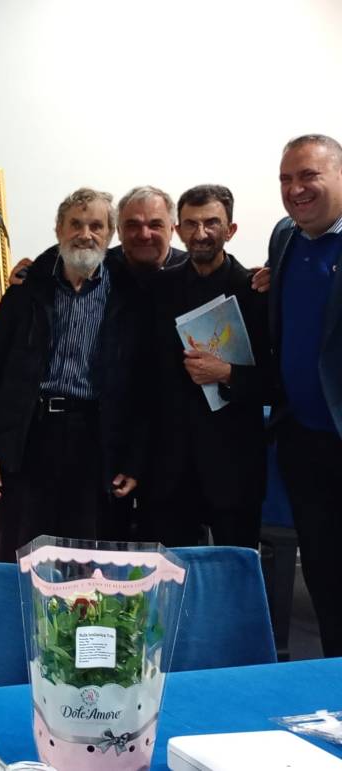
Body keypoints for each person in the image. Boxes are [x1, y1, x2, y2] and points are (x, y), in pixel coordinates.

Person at [0, 188, 147, 561]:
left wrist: (134, 458)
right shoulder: (26, 289)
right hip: (29, 437)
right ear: (58, 229)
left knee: (88, 558)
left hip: (95, 440)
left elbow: (141, 385)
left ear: (110, 234)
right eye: (75, 224)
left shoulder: (129, 296)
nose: (86, 234)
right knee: (21, 552)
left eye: (96, 226)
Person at [143, 185, 270, 548]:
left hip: (235, 468)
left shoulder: (256, 291)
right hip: (170, 470)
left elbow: (280, 380)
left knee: (235, 571)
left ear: (230, 230)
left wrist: (228, 374)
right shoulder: (157, 288)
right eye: (191, 224)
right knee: (174, 573)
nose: (201, 233)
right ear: (177, 230)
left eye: (212, 222)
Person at [267, 134, 342, 657]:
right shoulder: (285, 237)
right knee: (322, 572)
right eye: (286, 179)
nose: (296, 189)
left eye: (309, 175)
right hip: (304, 440)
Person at [7, 185, 187, 285]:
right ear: (119, 231)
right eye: (133, 225)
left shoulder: (192, 271)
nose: (144, 234)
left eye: (155, 225)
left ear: (172, 230)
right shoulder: (102, 265)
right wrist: (30, 275)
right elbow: (68, 253)